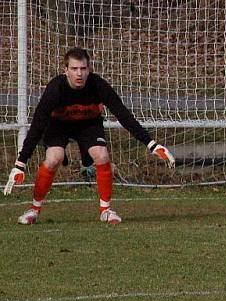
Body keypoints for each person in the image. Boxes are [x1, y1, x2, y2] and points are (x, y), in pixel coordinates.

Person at [3, 47, 175, 224]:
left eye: (83, 69)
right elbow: (37, 126)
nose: (79, 74)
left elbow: (124, 115)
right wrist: (20, 164)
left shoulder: (98, 85)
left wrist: (151, 144)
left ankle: (106, 210)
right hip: (59, 126)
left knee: (101, 154)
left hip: (88, 125)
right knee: (54, 158)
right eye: (74, 69)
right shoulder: (55, 89)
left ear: (89, 69)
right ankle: (34, 210)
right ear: (66, 70)